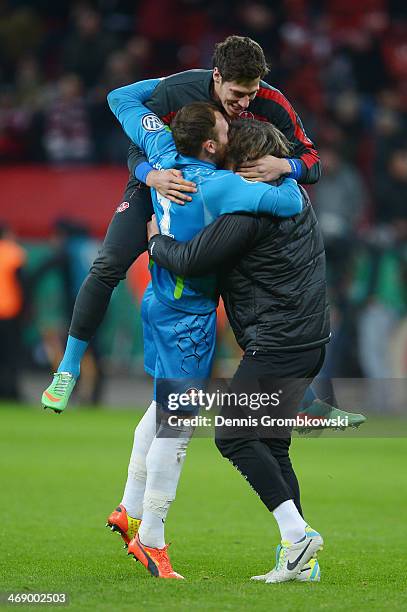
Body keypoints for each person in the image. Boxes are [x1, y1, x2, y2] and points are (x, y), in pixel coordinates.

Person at [41, 35, 363, 431]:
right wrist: (152, 176)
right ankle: (68, 369)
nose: (245, 103)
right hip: (162, 184)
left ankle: (304, 401)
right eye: (237, 93)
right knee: (108, 264)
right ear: (216, 76)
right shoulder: (180, 89)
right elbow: (137, 144)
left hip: (221, 197)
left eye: (251, 93)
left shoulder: (272, 101)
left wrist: (284, 168)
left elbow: (311, 159)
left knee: (243, 294)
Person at [102, 79, 304, 580]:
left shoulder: (162, 151)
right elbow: (292, 203)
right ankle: (152, 539)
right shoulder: (217, 183)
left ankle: (127, 507)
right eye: (224, 128)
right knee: (179, 427)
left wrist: (149, 166)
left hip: (158, 301)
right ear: (211, 145)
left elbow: (121, 100)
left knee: (159, 407)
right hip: (187, 319)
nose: (232, 131)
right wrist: (284, 172)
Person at [147, 119, 328, 584]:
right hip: (308, 340)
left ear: (246, 166)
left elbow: (190, 259)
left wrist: (155, 239)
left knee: (231, 432)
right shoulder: (293, 197)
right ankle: (300, 557)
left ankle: (298, 534)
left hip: (279, 341)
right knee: (273, 445)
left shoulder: (248, 215)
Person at [0, 225, 26, 400]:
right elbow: (23, 282)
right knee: (11, 355)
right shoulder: (13, 252)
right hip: (10, 310)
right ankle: (12, 392)